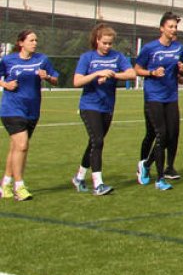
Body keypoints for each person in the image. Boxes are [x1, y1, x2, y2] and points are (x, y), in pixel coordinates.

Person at [72, 24, 136, 196]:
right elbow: (77, 81)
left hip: (107, 107)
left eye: (110, 43)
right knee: (98, 141)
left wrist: (113, 74)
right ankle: (98, 184)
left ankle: (79, 177)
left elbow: (132, 74)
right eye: (105, 43)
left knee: (94, 143)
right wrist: (97, 74)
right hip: (89, 106)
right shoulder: (87, 58)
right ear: (97, 40)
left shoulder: (117, 57)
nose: (107, 47)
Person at [0, 30, 60, 200]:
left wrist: (47, 77)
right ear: (21, 43)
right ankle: (20, 187)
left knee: (16, 148)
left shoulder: (42, 60)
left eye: (36, 40)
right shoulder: (8, 60)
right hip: (11, 109)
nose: (34, 43)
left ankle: (5, 184)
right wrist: (5, 84)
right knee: (22, 145)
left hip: (32, 111)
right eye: (31, 40)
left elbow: (56, 79)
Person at [134, 11, 183, 190]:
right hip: (154, 96)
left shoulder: (179, 48)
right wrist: (152, 73)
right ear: (162, 28)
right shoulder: (150, 48)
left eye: (175, 27)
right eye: (170, 26)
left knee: (172, 135)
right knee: (161, 134)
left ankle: (147, 164)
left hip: (171, 96)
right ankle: (160, 179)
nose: (173, 30)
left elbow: (182, 74)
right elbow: (137, 69)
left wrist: (182, 70)